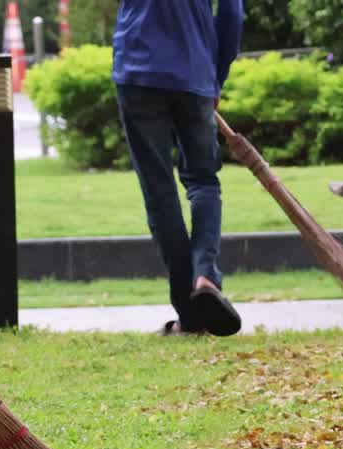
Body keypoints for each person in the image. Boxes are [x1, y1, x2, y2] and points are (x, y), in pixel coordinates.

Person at [114, 0, 245, 336]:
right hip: (195, 73)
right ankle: (205, 276)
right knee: (203, 182)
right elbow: (231, 14)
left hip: (137, 72)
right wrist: (217, 77)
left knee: (160, 193)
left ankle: (189, 317)